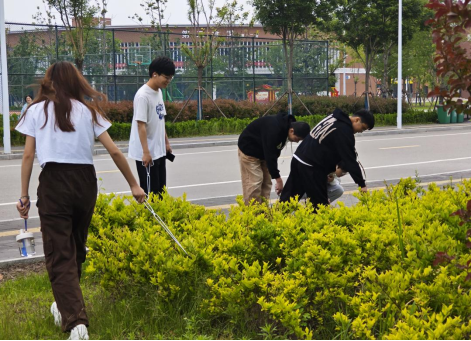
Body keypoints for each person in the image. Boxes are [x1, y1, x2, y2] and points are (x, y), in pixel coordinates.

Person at [15, 61, 146, 340]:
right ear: (77, 81)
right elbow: (114, 151)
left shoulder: (36, 110)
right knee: (75, 247)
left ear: (49, 81)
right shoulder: (89, 111)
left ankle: (77, 324)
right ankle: (64, 305)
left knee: (59, 252)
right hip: (85, 183)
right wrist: (134, 185)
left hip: (53, 182)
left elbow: (28, 156)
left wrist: (24, 195)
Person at [280, 108, 375, 209]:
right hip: (311, 165)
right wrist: (361, 184)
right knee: (320, 205)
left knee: (290, 196)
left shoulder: (333, 117)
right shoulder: (344, 129)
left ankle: (276, 217)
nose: (361, 131)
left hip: (298, 157)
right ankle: (316, 223)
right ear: (356, 120)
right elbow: (349, 159)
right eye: (363, 128)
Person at [238, 111, 311, 205]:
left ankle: (263, 212)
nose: (296, 142)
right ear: (292, 131)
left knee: (266, 183)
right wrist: (278, 179)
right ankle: (252, 214)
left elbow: (274, 153)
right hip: (249, 151)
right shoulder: (275, 130)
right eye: (297, 139)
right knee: (254, 183)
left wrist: (274, 173)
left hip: (263, 152)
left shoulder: (286, 128)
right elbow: (270, 154)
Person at [128, 56, 175, 196]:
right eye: (166, 77)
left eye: (170, 78)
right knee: (150, 194)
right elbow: (140, 125)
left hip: (159, 151)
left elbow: (161, 119)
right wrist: (146, 152)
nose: (168, 81)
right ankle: (150, 218)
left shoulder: (159, 92)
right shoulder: (143, 96)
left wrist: (166, 143)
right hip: (147, 155)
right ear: (155, 74)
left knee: (161, 192)